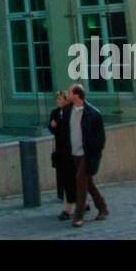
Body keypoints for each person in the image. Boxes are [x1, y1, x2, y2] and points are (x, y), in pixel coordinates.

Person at [66, 83, 108, 227]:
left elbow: (101, 138)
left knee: (80, 182)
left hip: (87, 154)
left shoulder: (93, 113)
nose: (67, 94)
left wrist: (94, 153)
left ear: (77, 95)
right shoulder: (68, 110)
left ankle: (78, 216)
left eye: (69, 92)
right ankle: (103, 208)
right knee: (88, 183)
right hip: (74, 153)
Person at [46, 90, 75, 219]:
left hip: (71, 150)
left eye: (59, 99)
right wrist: (52, 126)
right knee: (66, 178)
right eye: (56, 99)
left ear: (66, 100)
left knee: (72, 178)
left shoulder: (71, 111)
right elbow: (52, 128)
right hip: (61, 149)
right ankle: (80, 202)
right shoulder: (55, 112)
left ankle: (68, 208)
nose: (57, 101)